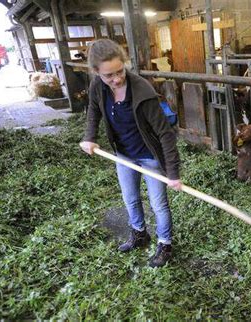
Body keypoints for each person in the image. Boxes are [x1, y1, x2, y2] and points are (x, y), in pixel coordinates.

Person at [80, 39, 181, 268]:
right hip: (123, 155)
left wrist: (173, 172)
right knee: (130, 198)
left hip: (149, 156)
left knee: (159, 204)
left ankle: (165, 244)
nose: (116, 79)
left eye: (119, 71)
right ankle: (139, 233)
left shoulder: (142, 90)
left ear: (124, 63)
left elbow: (165, 133)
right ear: (97, 72)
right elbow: (94, 112)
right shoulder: (97, 86)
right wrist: (89, 138)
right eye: (109, 75)